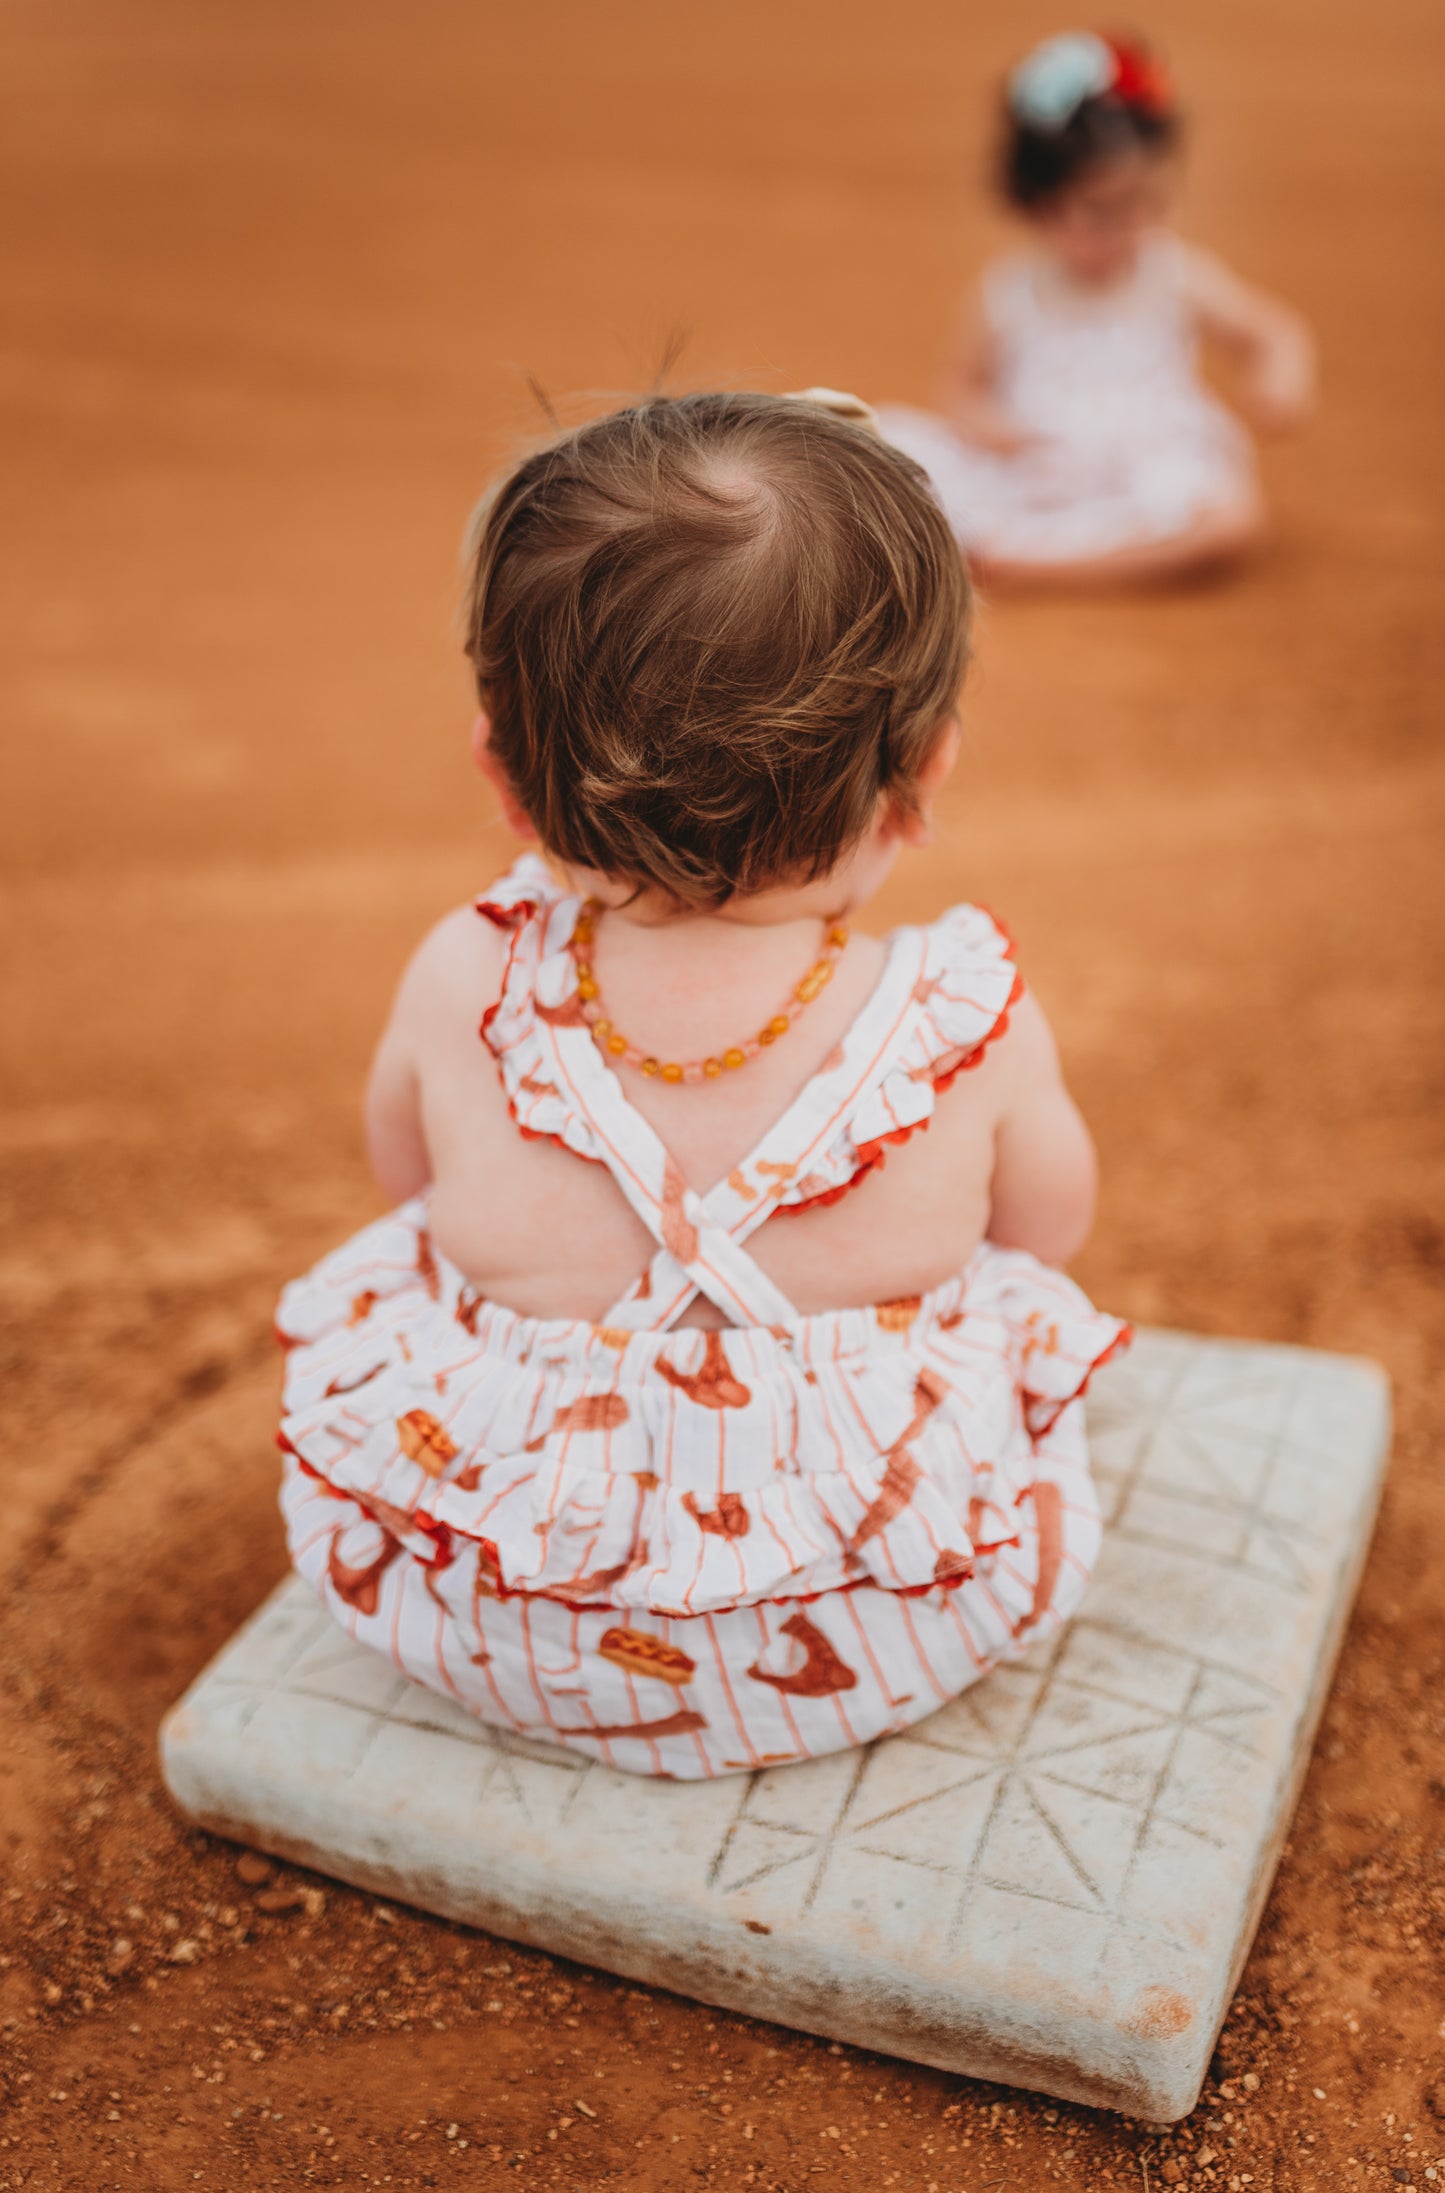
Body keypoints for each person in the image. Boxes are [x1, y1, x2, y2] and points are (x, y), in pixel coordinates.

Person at [276, 390, 1129, 1780]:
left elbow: (405, 1178)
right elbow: (1047, 1232)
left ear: (504, 777)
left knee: (423, 1260)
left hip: (480, 1612)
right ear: (921, 773)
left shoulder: (462, 974)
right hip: (886, 1632)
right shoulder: (961, 1019)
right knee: (1013, 1306)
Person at [878, 32, 1315, 588]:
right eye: (1100, 212)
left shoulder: (1173, 274)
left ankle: (1031, 567)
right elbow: (961, 388)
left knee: (1233, 522)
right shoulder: (1009, 293)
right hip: (1042, 467)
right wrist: (1003, 434)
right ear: (1040, 202)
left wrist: (1282, 380)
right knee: (891, 446)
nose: (1126, 230)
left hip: (1147, 469)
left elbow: (1272, 329)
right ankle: (1022, 549)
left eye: (1144, 206)